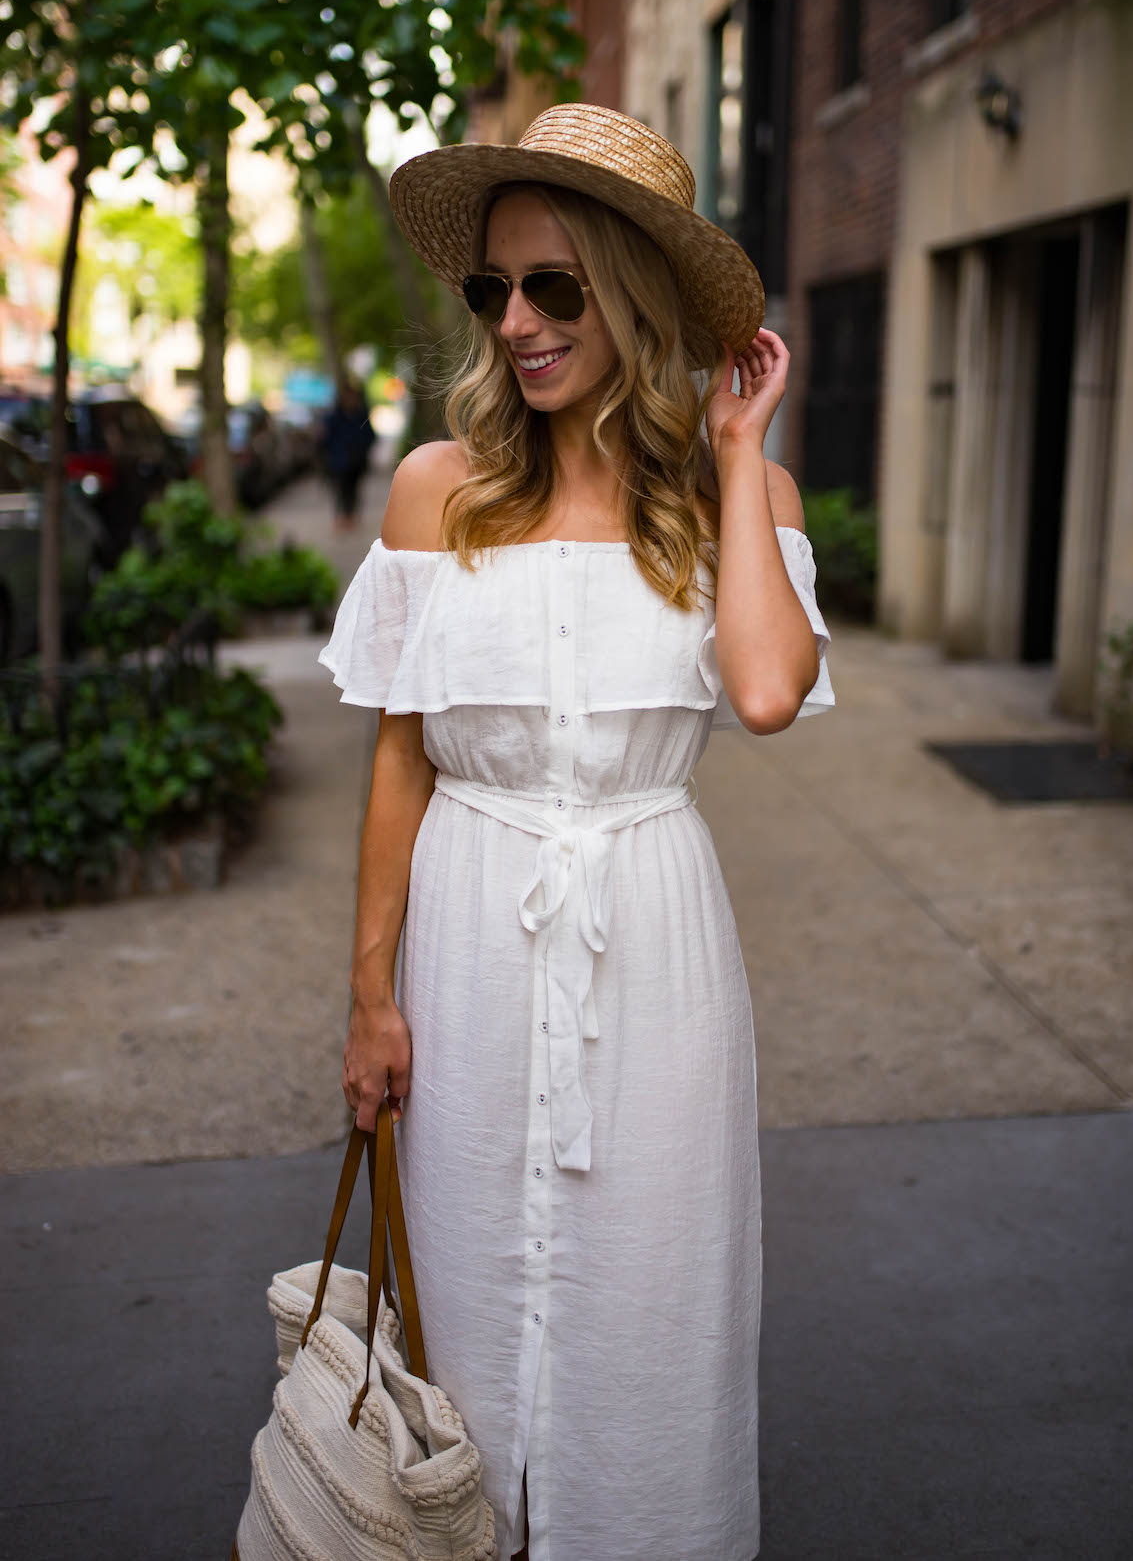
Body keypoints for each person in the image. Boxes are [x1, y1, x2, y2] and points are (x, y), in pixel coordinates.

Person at [318, 104, 835, 1561]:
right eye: (494, 290)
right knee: (469, 1300)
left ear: (633, 289)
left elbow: (764, 689)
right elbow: (400, 762)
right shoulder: (439, 492)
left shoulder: (745, 499)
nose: (520, 322)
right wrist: (370, 996)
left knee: (649, 1301)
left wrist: (737, 452)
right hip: (468, 937)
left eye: (556, 285)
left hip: (650, 943)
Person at [321, 376, 375, 531]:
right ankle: (342, 517)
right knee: (340, 489)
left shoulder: (361, 416)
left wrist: (361, 449)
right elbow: (325, 439)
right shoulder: (334, 417)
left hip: (356, 461)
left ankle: (351, 516)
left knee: (354, 489)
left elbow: (370, 436)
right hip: (338, 461)